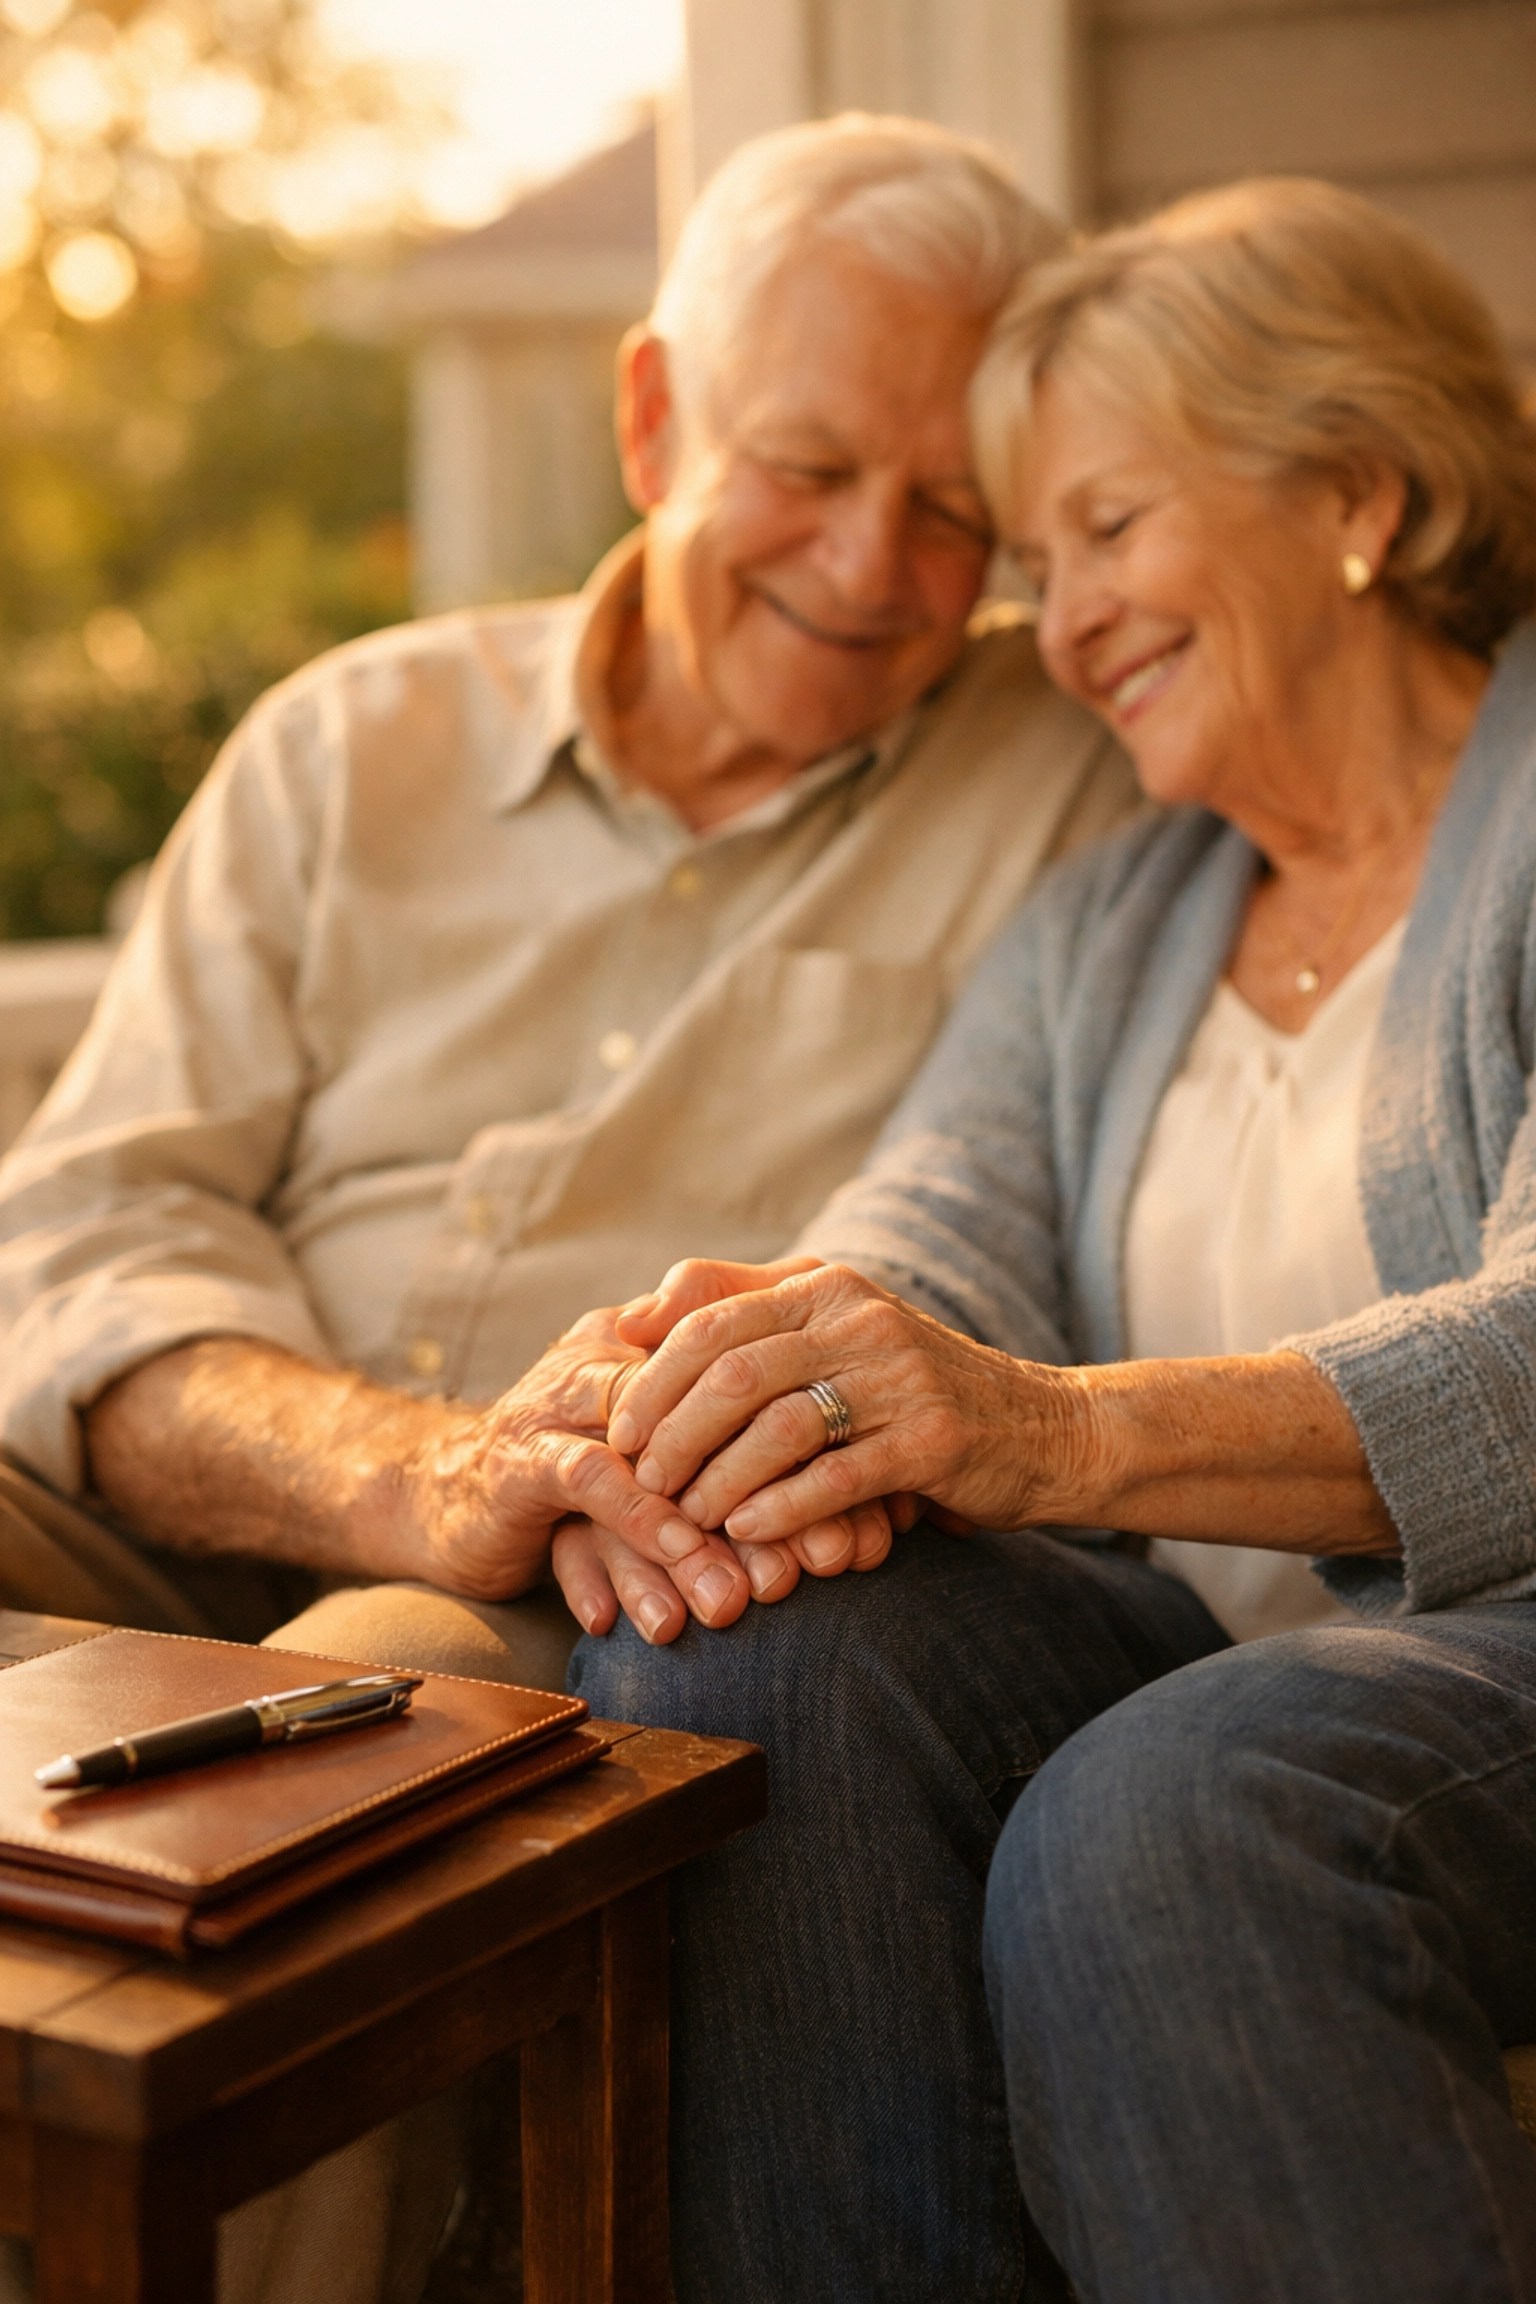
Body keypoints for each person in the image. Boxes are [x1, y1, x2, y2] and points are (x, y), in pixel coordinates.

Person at [570, 178, 1536, 2301]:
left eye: (1106, 530)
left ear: (1358, 492)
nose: (1063, 621)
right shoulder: (1118, 917)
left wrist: (1059, 1435)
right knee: (732, 1637)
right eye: (1036, 568)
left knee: (1169, 1810)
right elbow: (931, 1235)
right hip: (1210, 1663)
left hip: (1482, 1666)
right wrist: (734, 1393)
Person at [0, 114, 1134, 1691]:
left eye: (956, 514)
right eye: (807, 468)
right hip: (180, 1499)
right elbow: (90, 1227)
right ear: (656, 420)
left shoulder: (1081, 770)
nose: (875, 566)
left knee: (346, 1717)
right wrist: (410, 1475)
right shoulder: (348, 747)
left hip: (581, 1570)